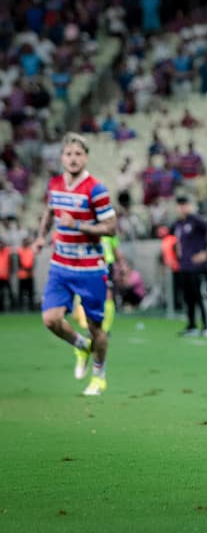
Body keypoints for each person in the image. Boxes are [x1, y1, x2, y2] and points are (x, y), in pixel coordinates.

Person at [32, 133, 117, 395]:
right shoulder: (55, 185)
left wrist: (78, 225)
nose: (73, 158)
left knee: (96, 328)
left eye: (78, 154)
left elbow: (111, 228)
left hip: (90, 267)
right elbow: (49, 212)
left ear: (86, 157)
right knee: (50, 319)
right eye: (68, 154)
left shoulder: (96, 189)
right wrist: (40, 237)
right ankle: (81, 345)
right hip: (61, 264)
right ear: (62, 157)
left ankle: (99, 376)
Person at [71, 234, 120, 378]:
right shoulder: (85, 227)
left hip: (106, 264)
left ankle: (105, 329)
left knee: (108, 295)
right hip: (87, 264)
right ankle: (88, 332)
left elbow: (114, 247)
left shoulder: (108, 228)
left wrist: (120, 263)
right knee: (86, 297)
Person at [173, 196, 207, 337]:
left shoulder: (196, 220)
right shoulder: (178, 224)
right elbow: (178, 242)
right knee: (188, 298)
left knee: (201, 296)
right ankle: (192, 325)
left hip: (197, 266)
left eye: (184, 204)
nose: (181, 208)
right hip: (185, 265)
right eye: (179, 205)